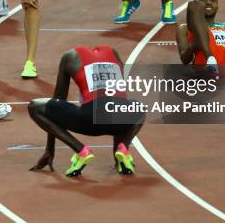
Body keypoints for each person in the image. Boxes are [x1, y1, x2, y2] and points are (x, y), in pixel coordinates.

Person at [28, 46, 144, 177]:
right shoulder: (113, 53)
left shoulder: (69, 56)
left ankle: (81, 150)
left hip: (89, 120)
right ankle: (123, 149)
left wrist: (50, 149)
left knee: (34, 106)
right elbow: (120, 96)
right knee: (137, 107)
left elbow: (57, 102)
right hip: (119, 119)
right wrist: (117, 152)